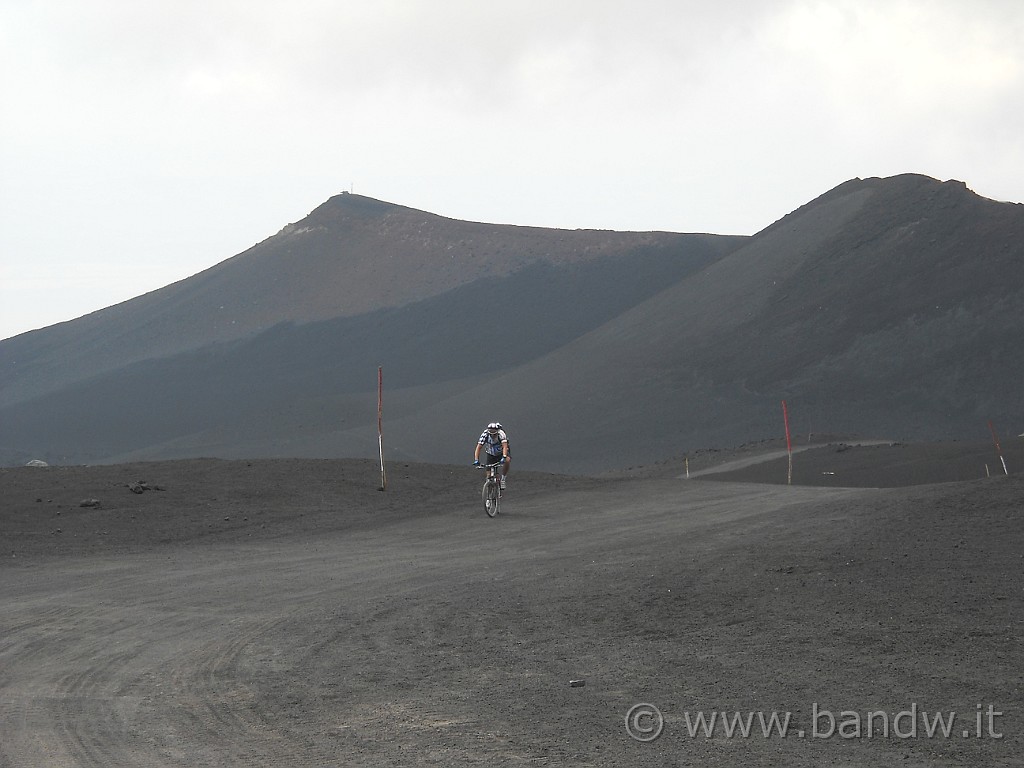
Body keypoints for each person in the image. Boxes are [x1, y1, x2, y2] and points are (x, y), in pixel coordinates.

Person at [473, 422, 510, 490]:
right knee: (488, 475)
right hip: (491, 453)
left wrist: (504, 457)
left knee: (507, 460)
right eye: (491, 434)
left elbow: (505, 446)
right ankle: (488, 493)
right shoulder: (485, 434)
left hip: (502, 452)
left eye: (494, 434)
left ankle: (503, 479)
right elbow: (478, 447)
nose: (493, 436)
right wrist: (476, 460)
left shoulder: (501, 434)